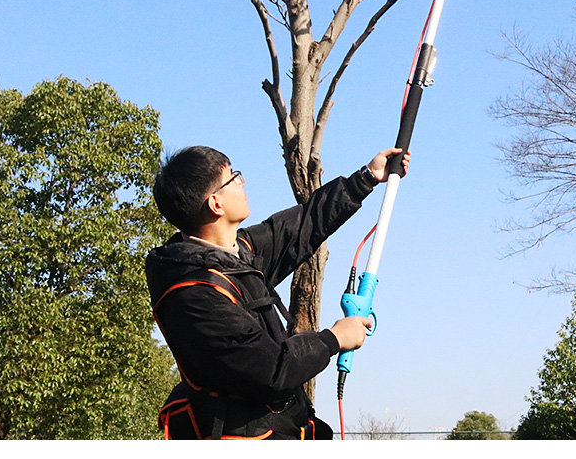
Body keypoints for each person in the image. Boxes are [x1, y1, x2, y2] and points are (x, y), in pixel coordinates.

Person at [146, 145, 410, 440]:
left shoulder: (234, 254)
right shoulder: (194, 294)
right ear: (215, 203)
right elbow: (271, 369)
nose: (241, 182)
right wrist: (333, 338)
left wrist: (367, 178)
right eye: (233, 177)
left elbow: (301, 226)